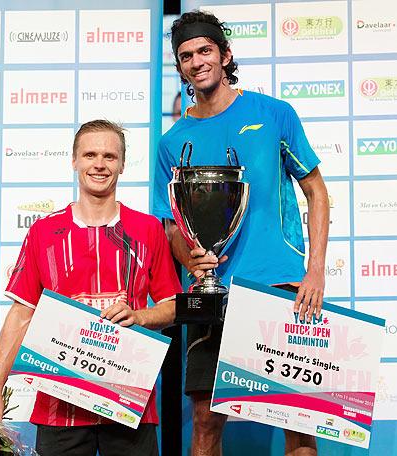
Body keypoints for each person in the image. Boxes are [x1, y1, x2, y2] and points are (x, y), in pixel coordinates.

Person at [153, 10, 329, 456]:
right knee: (206, 424)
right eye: (186, 56)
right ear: (180, 68)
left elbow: (316, 191)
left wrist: (315, 272)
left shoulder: (274, 114)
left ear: (225, 54)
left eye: (205, 50)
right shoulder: (172, 141)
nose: (197, 61)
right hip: (212, 296)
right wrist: (190, 258)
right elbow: (171, 224)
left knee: (296, 422)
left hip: (280, 284)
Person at [0, 119, 182, 456]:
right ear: (74, 161)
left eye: (109, 156)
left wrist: (140, 317)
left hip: (130, 408)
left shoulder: (148, 230)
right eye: (89, 154)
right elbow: (21, 315)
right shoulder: (43, 232)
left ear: (123, 164)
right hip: (59, 410)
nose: (99, 164)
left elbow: (173, 304)